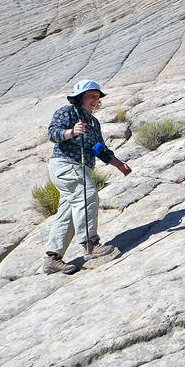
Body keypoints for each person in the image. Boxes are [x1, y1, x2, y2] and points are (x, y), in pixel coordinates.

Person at [43, 79, 132, 274]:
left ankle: (52, 257)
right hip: (65, 165)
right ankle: (90, 244)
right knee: (87, 194)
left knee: (68, 211)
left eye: (97, 96)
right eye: (91, 95)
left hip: (80, 168)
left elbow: (99, 149)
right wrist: (71, 132)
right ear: (79, 98)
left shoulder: (93, 122)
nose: (95, 99)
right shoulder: (66, 112)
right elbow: (52, 133)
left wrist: (119, 164)